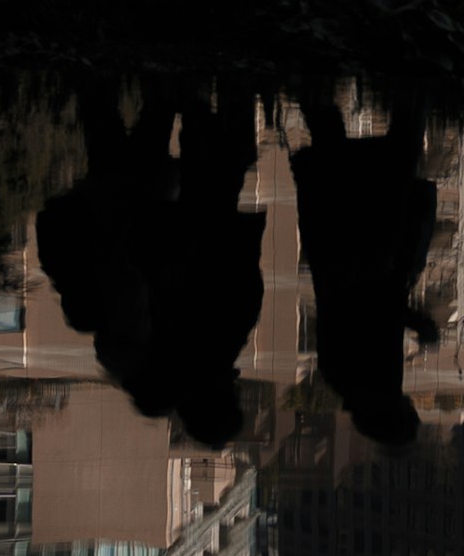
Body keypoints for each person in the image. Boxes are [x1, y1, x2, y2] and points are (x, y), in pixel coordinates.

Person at [35, 79, 265, 448]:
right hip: (130, 210)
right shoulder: (148, 350)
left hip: (152, 211)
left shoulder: (199, 344)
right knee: (118, 121)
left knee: (157, 124)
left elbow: (233, 279)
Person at [289, 90, 439, 446]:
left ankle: (414, 83)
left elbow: (375, 312)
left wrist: (419, 324)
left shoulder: (375, 383)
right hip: (340, 248)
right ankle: (314, 82)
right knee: (335, 150)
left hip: (367, 251)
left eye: (408, 411)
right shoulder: (344, 380)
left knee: (399, 152)